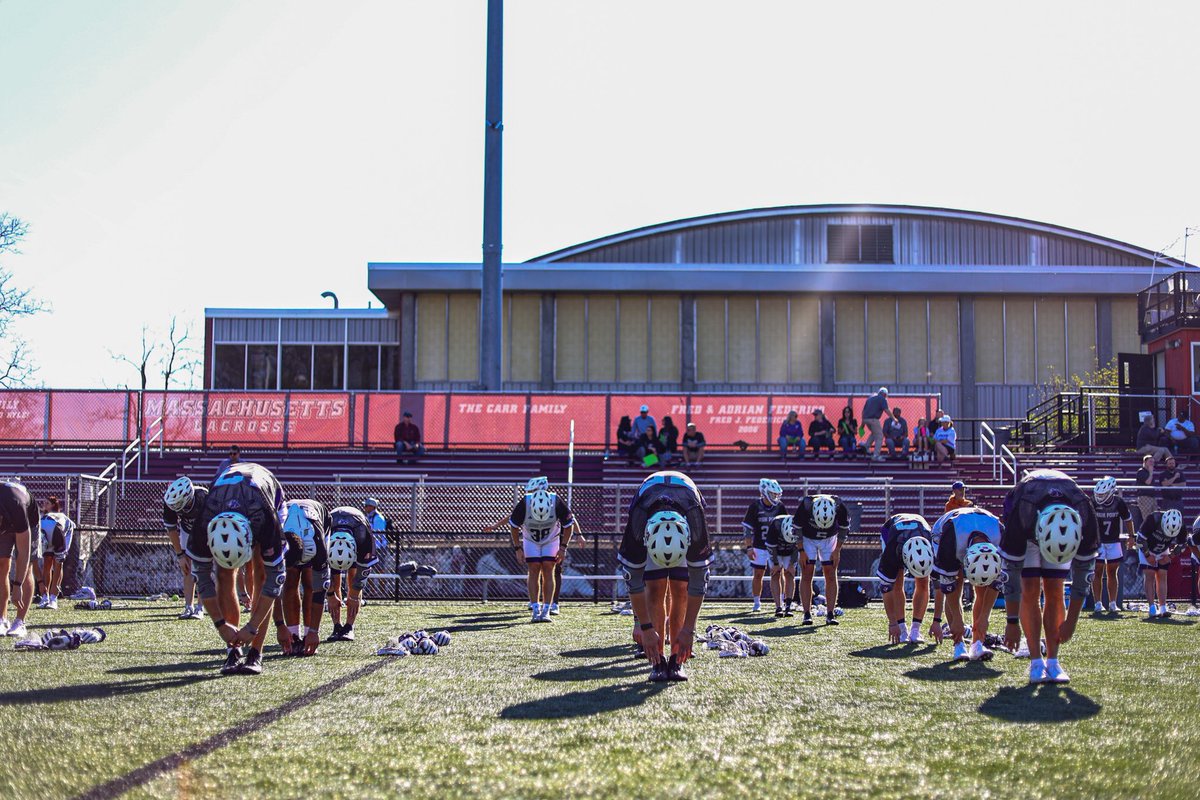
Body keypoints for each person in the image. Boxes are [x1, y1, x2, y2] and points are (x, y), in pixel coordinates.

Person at [1000, 468, 1099, 684]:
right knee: (1030, 589)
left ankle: (1053, 661)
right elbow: (1012, 575)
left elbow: (1083, 576)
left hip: (1058, 523)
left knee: (1055, 589)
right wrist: (1011, 622)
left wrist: (1072, 621)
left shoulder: (1083, 511)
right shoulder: (1022, 512)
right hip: (1028, 528)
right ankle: (1036, 661)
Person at [190, 461, 288, 676]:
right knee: (224, 575)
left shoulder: (264, 516)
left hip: (266, 492)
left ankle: (255, 652)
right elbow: (203, 579)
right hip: (225, 497)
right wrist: (221, 625)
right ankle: (233, 650)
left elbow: (274, 580)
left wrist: (252, 627)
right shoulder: (205, 518)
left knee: (261, 572)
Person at [617, 470, 711, 682]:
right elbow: (635, 584)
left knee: (681, 588)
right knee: (655, 587)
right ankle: (658, 660)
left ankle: (676, 660)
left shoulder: (695, 521)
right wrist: (644, 627)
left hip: (685, 501)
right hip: (649, 506)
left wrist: (689, 630)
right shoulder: (638, 521)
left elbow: (697, 584)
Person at [931, 505, 1005, 661]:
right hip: (947, 531)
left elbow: (995, 583)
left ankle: (977, 643)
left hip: (979, 524)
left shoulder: (1000, 534)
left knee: (983, 590)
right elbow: (948, 585)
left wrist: (984, 617)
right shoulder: (951, 537)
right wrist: (957, 619)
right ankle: (958, 645)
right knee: (956, 585)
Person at [509, 485, 577, 623]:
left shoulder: (556, 501)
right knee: (533, 568)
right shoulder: (525, 502)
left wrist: (563, 548)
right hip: (530, 539)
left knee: (548, 568)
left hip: (551, 539)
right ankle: (535, 608)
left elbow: (569, 525)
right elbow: (514, 526)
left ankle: (546, 609)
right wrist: (517, 548)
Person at [278, 499, 332, 655]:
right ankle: (293, 634)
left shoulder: (317, 542)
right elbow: (272, 588)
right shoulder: (275, 535)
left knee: (310, 583)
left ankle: (309, 632)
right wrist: (280, 626)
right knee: (289, 581)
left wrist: (314, 631)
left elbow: (319, 590)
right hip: (291, 524)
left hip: (315, 522)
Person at [875, 513, 934, 645]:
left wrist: (937, 620)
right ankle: (902, 628)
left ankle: (915, 630)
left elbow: (938, 586)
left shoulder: (930, 543)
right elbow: (886, 588)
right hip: (893, 532)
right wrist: (893, 623)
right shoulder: (893, 549)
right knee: (897, 582)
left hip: (920, 530)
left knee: (924, 582)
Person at [325, 505, 380, 641]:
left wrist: (354, 596)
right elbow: (321, 570)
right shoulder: (324, 532)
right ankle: (337, 626)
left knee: (353, 580)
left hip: (356, 531)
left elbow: (364, 570)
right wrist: (330, 594)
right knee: (334, 581)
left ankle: (349, 626)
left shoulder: (363, 535)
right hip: (332, 533)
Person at [793, 493, 850, 626]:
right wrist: (801, 551)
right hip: (808, 538)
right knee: (807, 572)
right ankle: (807, 613)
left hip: (830, 538)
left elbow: (844, 528)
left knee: (831, 573)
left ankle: (830, 613)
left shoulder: (839, 505)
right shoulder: (806, 505)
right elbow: (797, 529)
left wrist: (837, 550)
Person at [163, 476, 209, 621]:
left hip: (207, 530)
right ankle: (188, 607)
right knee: (187, 568)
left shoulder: (204, 498)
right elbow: (171, 530)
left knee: (202, 568)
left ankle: (200, 608)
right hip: (187, 530)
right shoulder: (169, 502)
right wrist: (180, 555)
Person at [741, 478, 788, 614]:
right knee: (758, 574)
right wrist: (749, 547)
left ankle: (781, 601)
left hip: (776, 546)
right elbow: (747, 529)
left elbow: (784, 526)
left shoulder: (780, 507)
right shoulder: (755, 506)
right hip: (759, 546)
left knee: (779, 573)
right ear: (764, 492)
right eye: (773, 494)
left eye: (776, 494)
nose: (775, 496)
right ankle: (756, 602)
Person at [0, 480, 38, 638]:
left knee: (27, 566)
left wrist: (18, 585)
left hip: (28, 517)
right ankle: (2, 619)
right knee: (1, 564)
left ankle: (19, 622)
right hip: (6, 516)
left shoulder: (16, 506)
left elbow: (24, 553)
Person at [1135, 508, 1187, 619]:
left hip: (1163, 550)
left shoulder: (1181, 525)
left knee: (1162, 575)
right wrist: (1148, 555)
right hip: (1147, 548)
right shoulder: (1153, 519)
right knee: (1149, 575)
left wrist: (1170, 556)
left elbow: (1182, 545)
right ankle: (1152, 608)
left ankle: (1163, 608)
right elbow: (1140, 540)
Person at [1091, 476, 1132, 613]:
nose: (1100, 496)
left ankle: (1112, 603)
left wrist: (1131, 536)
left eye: (1103, 493)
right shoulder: (1093, 502)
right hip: (1098, 541)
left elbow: (1128, 519)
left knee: (1112, 572)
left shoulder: (1118, 502)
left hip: (1113, 541)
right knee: (1097, 571)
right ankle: (1098, 603)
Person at [36, 497, 74, 611]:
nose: (44, 504)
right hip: (47, 538)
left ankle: (53, 597)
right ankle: (45, 596)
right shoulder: (41, 518)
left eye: (47, 503)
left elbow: (69, 526)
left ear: (53, 505)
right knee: (47, 564)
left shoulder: (61, 518)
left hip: (59, 535)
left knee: (58, 564)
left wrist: (65, 547)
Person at [763, 514, 800, 617]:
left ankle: (788, 606)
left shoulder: (799, 526)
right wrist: (775, 564)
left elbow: (797, 548)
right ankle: (778, 606)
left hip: (791, 551)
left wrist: (792, 564)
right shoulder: (775, 525)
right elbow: (772, 547)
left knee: (790, 575)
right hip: (776, 551)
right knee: (775, 574)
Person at [861, 387, 890, 461]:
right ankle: (876, 455)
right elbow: (887, 410)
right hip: (874, 419)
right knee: (880, 436)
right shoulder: (882, 399)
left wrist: (862, 425)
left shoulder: (870, 399)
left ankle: (866, 446)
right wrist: (894, 418)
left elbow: (864, 411)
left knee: (874, 433)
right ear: (885, 394)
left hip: (866, 419)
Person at [1134, 454, 1158, 525]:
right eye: (1150, 462)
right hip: (1144, 497)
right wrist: (1151, 473)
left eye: (1153, 462)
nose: (1152, 464)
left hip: (1152, 497)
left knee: (1155, 516)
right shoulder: (1141, 471)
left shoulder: (1150, 472)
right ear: (1145, 462)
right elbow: (1148, 482)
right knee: (1147, 518)